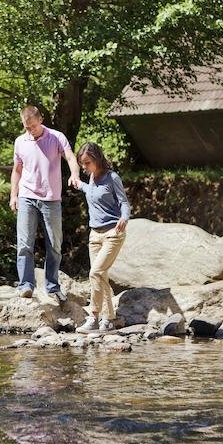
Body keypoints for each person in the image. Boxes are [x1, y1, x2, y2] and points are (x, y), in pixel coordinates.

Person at [10, 105, 80, 300]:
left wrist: (74, 174)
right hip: (27, 197)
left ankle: (52, 286)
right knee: (24, 243)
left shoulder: (57, 137)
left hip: (51, 199)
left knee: (54, 244)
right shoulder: (20, 142)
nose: (30, 130)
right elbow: (17, 170)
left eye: (32, 126)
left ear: (40, 119)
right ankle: (25, 285)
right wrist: (13, 195)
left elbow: (70, 157)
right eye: (26, 127)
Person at [70, 142, 130, 333]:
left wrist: (124, 218)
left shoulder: (112, 177)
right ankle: (108, 320)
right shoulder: (92, 180)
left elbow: (124, 202)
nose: (85, 167)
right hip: (95, 235)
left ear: (97, 159)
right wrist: (79, 184)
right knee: (100, 275)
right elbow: (90, 191)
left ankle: (94, 316)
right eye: (82, 164)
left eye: (87, 163)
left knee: (95, 273)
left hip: (113, 233)